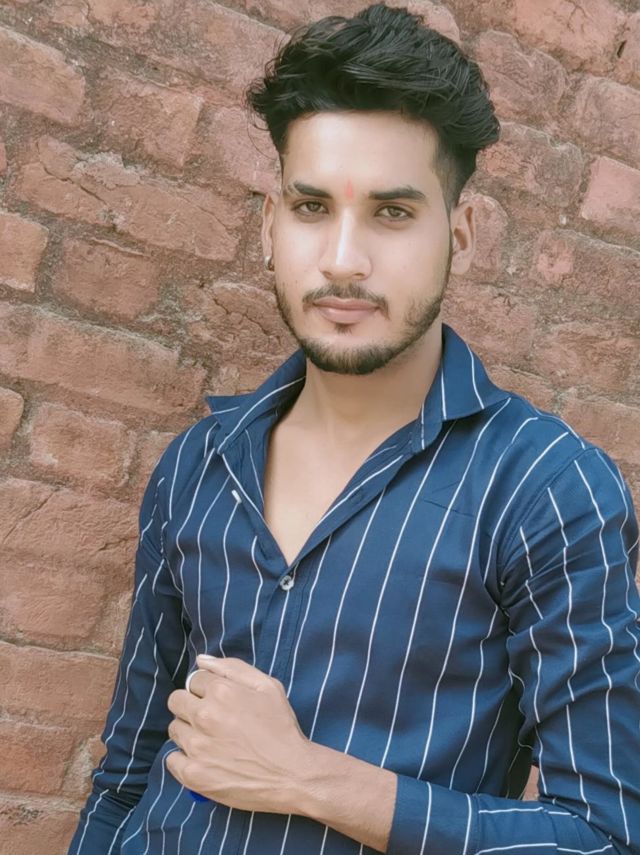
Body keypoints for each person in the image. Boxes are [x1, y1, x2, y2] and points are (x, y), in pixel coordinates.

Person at [67, 4, 640, 854]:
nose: (343, 259)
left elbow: (604, 831)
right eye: (311, 206)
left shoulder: (546, 487)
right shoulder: (195, 464)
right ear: (270, 224)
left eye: (392, 212)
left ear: (463, 235)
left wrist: (307, 776)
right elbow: (126, 772)